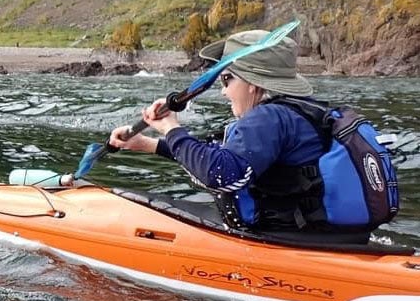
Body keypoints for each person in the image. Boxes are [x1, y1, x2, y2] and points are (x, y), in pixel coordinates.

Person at [107, 29, 375, 236]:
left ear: (252, 84)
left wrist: (171, 128)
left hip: (289, 240)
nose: (223, 91)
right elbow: (219, 154)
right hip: (319, 234)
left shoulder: (268, 117)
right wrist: (149, 144)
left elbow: (221, 174)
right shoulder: (294, 112)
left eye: (227, 78)